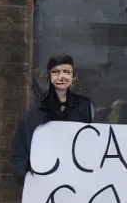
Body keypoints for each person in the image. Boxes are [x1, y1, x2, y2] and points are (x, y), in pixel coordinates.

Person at [10, 55, 95, 183]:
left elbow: (92, 146)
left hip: (78, 185)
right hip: (44, 188)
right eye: (56, 72)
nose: (61, 77)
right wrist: (31, 182)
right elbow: (20, 155)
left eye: (66, 72)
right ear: (49, 77)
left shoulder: (85, 109)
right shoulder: (33, 115)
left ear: (74, 77)